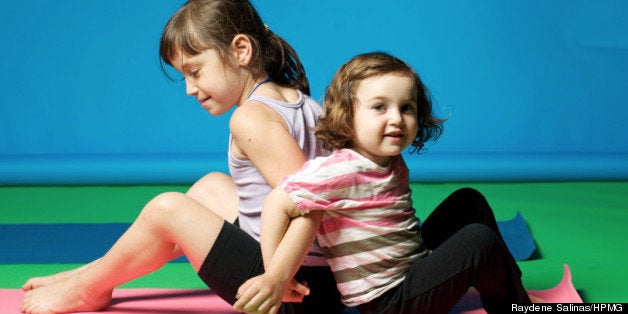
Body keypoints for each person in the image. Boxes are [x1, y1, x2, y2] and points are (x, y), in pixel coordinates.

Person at [20, 1, 346, 313]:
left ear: (241, 51)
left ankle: (87, 288)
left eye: (195, 71)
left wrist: (277, 280)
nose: (190, 88)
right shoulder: (298, 100)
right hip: (316, 279)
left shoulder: (251, 118)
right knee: (210, 187)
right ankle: (92, 275)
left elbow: (309, 205)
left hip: (292, 293)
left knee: (167, 209)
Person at [233, 52, 536, 314]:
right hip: (389, 302)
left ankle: (513, 288)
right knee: (477, 241)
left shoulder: (389, 160)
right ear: (348, 117)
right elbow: (277, 202)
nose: (396, 119)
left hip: (411, 267)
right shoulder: (341, 170)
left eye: (406, 107)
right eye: (379, 107)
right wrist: (276, 277)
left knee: (468, 202)